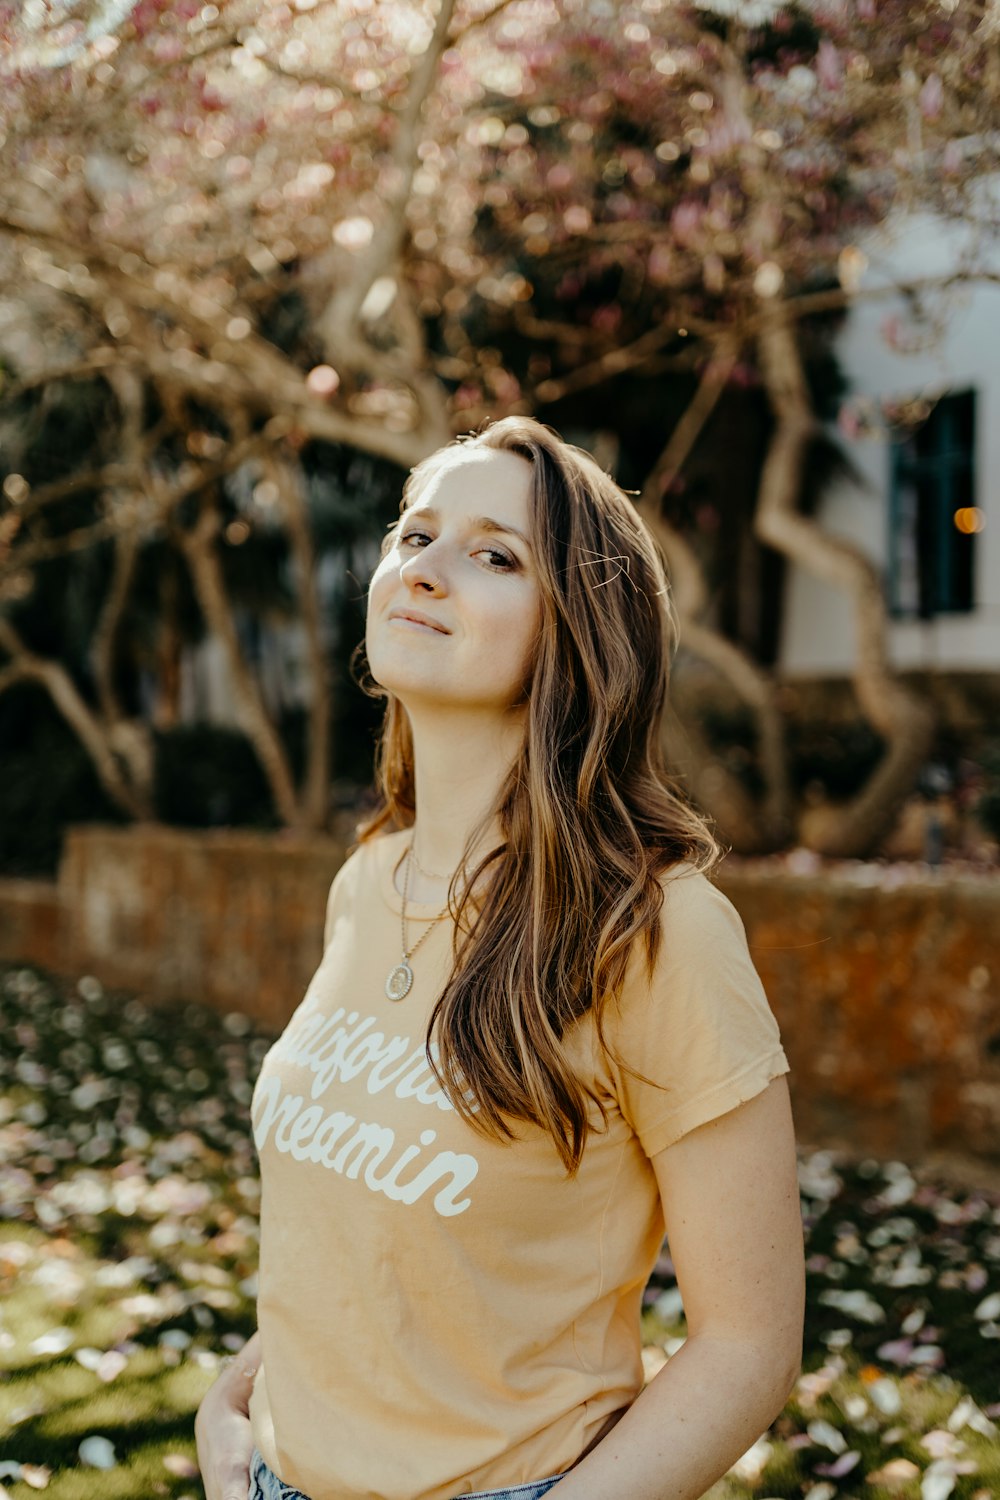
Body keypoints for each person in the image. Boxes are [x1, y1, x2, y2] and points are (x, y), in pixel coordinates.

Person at [195, 416, 804, 1500]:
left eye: (492, 554)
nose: (423, 569)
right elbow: (345, 1238)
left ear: (580, 630)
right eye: (413, 535)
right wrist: (234, 1409)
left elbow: (747, 1348)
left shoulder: (655, 930)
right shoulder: (368, 878)